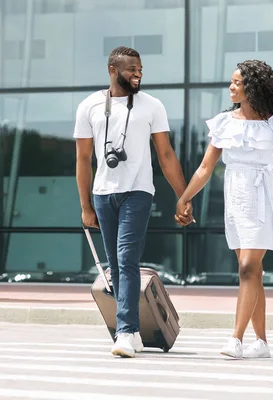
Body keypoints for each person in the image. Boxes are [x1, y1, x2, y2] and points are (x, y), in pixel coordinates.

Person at [74, 46, 193, 358]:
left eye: (140, 69)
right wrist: (86, 205)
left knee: (126, 258)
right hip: (102, 194)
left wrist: (184, 196)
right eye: (132, 69)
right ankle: (134, 331)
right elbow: (84, 159)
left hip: (138, 192)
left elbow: (166, 155)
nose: (138, 74)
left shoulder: (152, 106)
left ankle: (125, 331)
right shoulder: (89, 106)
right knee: (115, 265)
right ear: (113, 70)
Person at [175, 60, 273, 359]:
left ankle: (236, 339)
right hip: (236, 197)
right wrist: (184, 197)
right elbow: (206, 168)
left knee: (246, 267)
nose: (231, 87)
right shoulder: (224, 122)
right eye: (231, 82)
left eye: (236, 83)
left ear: (252, 87)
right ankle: (263, 342)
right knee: (252, 272)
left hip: (263, 196)